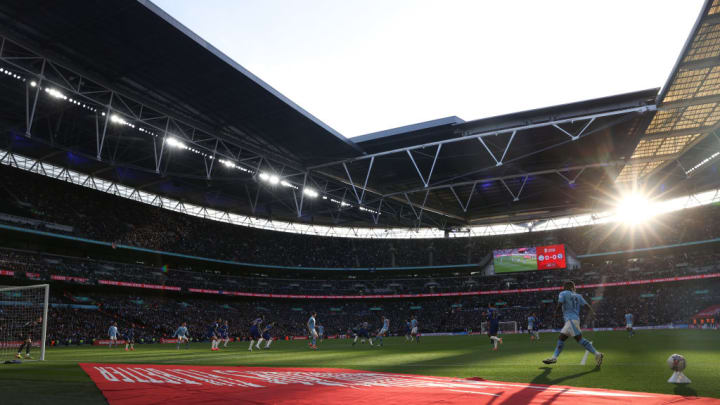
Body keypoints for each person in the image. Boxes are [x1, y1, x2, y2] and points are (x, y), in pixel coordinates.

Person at [543, 281, 603, 366]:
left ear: (565, 287)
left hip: (570, 320)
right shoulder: (578, 296)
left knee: (573, 339)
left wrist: (555, 314)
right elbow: (587, 306)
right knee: (568, 339)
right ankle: (554, 357)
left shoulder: (563, 293)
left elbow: (560, 303)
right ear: (572, 287)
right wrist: (593, 313)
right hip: (574, 320)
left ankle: (597, 354)